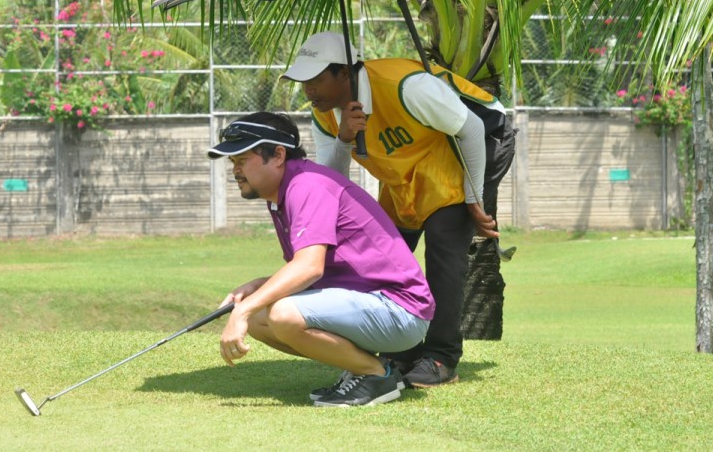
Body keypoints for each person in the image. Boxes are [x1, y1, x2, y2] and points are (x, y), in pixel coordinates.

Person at [283, 31, 514, 387]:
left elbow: (470, 129)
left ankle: (441, 356)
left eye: (314, 80)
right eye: (303, 81)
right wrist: (344, 138)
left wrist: (474, 199)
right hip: (404, 173)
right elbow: (330, 182)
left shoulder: (407, 86)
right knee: (380, 257)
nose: (307, 90)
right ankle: (401, 349)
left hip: (471, 143)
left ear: (344, 73)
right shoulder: (326, 114)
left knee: (444, 243)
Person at [208, 111, 435, 407]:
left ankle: (377, 374)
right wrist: (257, 288)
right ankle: (361, 370)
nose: (235, 170)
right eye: (233, 162)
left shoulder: (307, 185)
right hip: (374, 305)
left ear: (277, 155)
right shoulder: (284, 193)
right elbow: (311, 266)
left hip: (401, 311)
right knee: (260, 319)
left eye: (242, 160)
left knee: (281, 314)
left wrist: (242, 311)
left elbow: (309, 268)